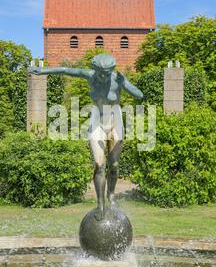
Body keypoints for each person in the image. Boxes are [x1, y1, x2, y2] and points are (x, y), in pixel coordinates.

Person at [30, 54, 143, 219]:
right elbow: (65, 69)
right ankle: (100, 204)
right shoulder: (89, 76)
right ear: (95, 70)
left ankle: (111, 195)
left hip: (115, 117)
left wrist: (124, 83)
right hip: (97, 117)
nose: (104, 76)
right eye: (101, 73)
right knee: (99, 164)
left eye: (107, 73)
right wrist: (42, 71)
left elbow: (139, 95)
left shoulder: (117, 79)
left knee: (114, 164)